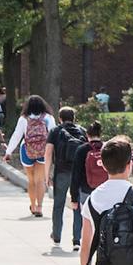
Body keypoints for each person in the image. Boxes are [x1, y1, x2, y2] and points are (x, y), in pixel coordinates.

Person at [2, 96, 57, 218]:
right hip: (43, 152)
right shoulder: (48, 118)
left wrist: (9, 152)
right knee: (40, 181)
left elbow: (17, 135)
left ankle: (32, 205)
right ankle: (40, 207)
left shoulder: (24, 119)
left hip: (27, 151)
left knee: (31, 181)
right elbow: (54, 135)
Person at [46, 106, 88, 249]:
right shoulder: (82, 131)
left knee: (58, 204)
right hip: (79, 173)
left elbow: (48, 154)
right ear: (74, 118)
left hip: (61, 172)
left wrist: (47, 174)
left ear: (60, 118)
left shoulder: (55, 131)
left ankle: (57, 237)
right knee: (77, 204)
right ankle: (77, 240)